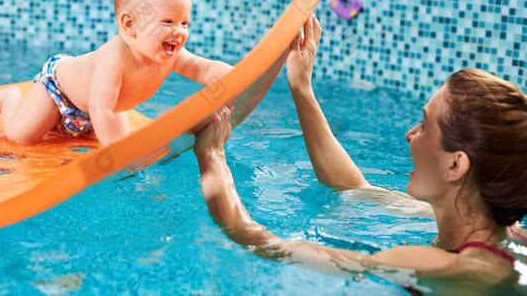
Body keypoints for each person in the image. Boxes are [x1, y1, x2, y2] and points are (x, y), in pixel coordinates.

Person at [193, 15, 526, 293]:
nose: (410, 135)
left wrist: (212, 155)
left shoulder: (453, 266)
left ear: (456, 165)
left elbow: (265, 245)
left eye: (424, 125)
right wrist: (301, 88)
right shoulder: (491, 224)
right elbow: (354, 188)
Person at [0, 0, 232, 146]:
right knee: (21, 135)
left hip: (100, 109)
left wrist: (240, 75)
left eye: (185, 23)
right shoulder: (114, 57)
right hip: (59, 92)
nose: (178, 32)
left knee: (114, 137)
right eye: (167, 21)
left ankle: (83, 129)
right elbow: (102, 110)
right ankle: (10, 99)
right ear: (129, 25)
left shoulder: (170, 53)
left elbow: (204, 68)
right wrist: (116, 153)